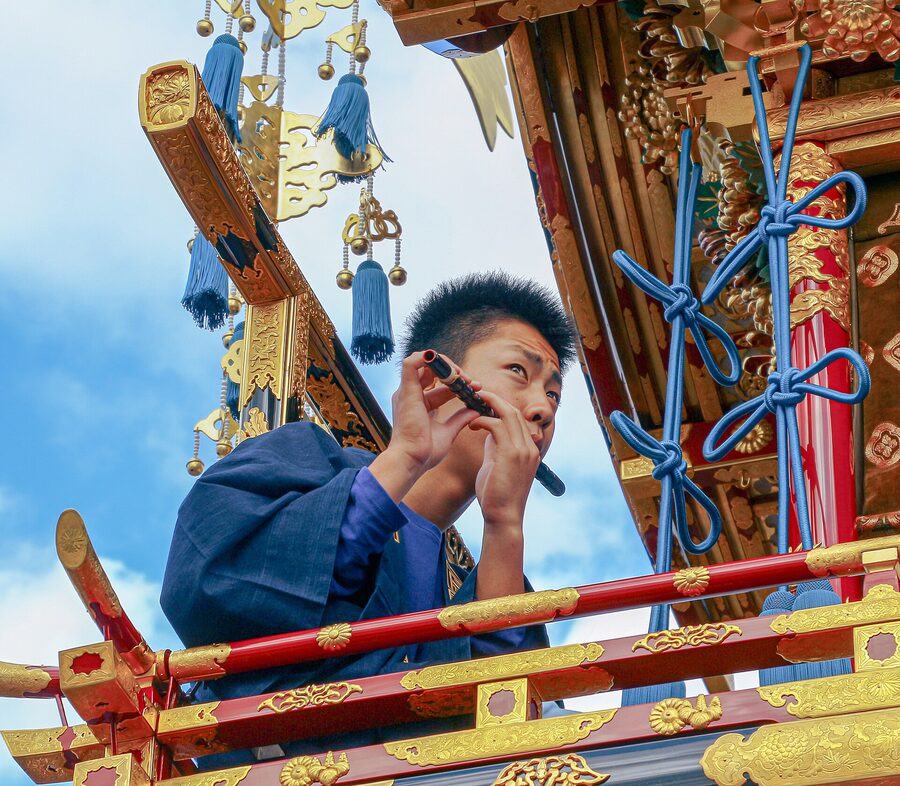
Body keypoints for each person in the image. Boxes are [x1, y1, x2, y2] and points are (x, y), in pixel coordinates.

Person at [160, 271, 576, 759]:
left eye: (553, 396)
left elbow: (502, 720)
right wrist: (406, 457)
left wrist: (504, 524)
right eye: (519, 373)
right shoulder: (307, 457)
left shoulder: (469, 580)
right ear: (436, 376)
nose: (542, 409)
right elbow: (210, 579)